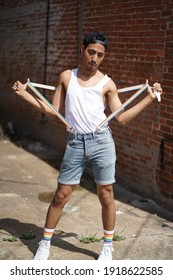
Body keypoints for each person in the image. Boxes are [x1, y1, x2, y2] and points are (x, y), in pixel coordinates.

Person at [12, 31, 163, 260]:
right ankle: (44, 243)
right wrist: (24, 94)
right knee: (61, 195)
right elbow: (52, 111)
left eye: (100, 55)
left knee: (106, 194)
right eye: (91, 52)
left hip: (102, 142)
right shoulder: (66, 77)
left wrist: (149, 98)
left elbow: (121, 118)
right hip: (75, 142)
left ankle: (107, 246)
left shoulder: (107, 84)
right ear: (82, 50)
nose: (95, 58)